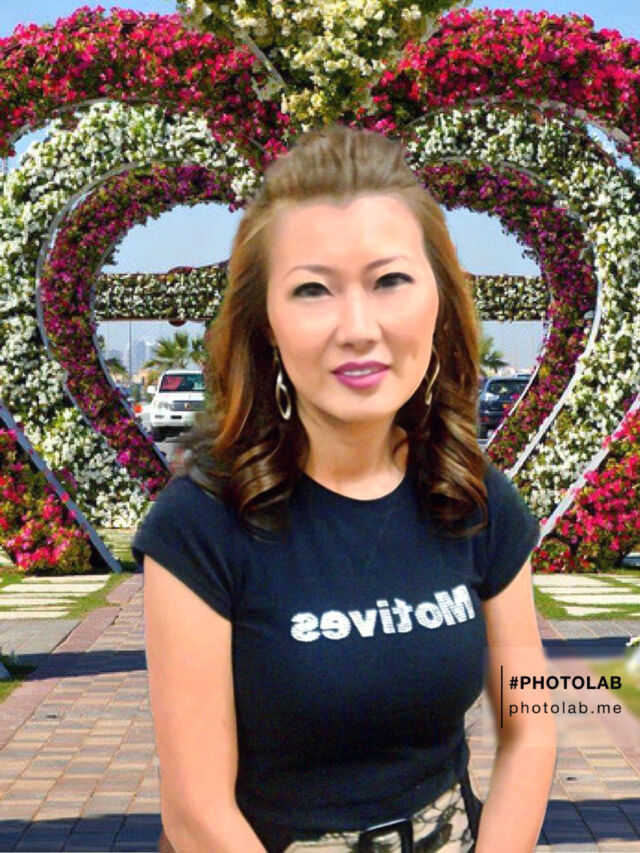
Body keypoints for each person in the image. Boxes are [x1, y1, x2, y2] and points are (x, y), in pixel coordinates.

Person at [132, 123, 557, 853]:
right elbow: (196, 811)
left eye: (390, 280)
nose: (358, 327)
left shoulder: (478, 498)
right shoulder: (198, 525)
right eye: (312, 290)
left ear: (438, 301)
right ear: (266, 323)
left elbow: (532, 724)